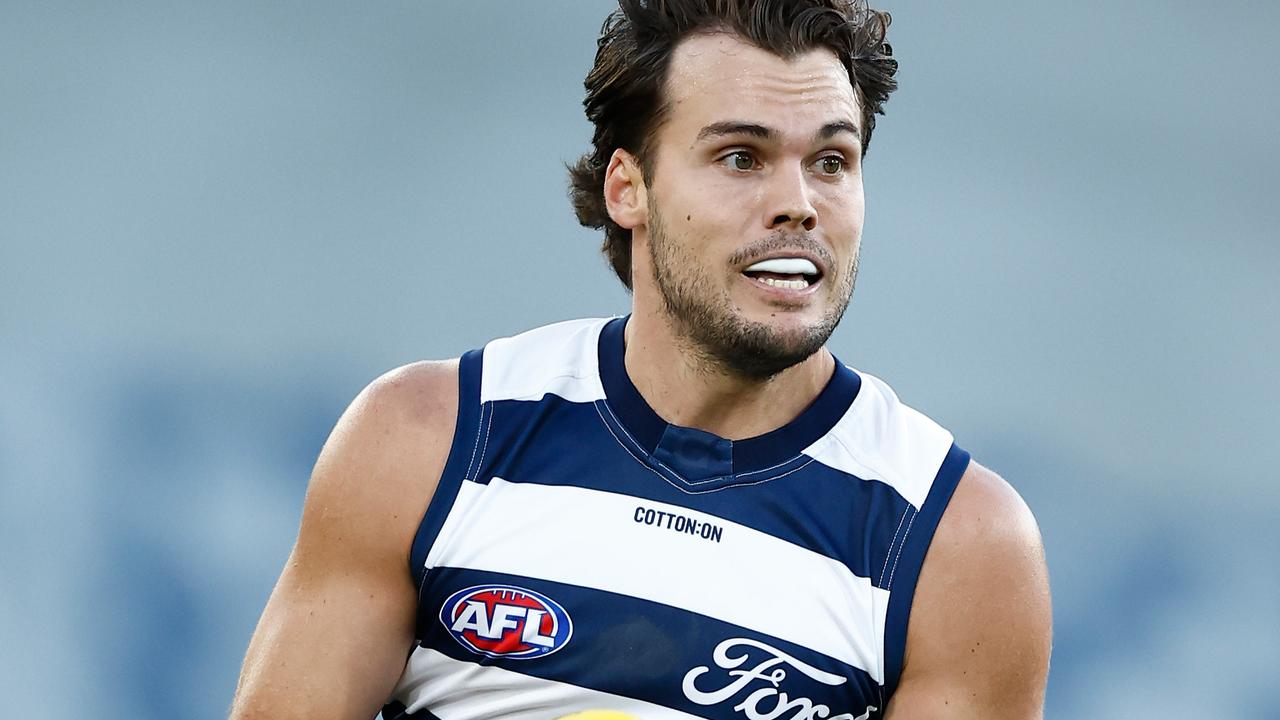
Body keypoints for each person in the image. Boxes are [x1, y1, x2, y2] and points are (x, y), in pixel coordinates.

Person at [229, 1, 1052, 718]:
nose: (799, 203)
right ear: (628, 188)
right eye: (741, 157)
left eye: (832, 161)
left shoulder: (959, 543)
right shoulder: (428, 438)